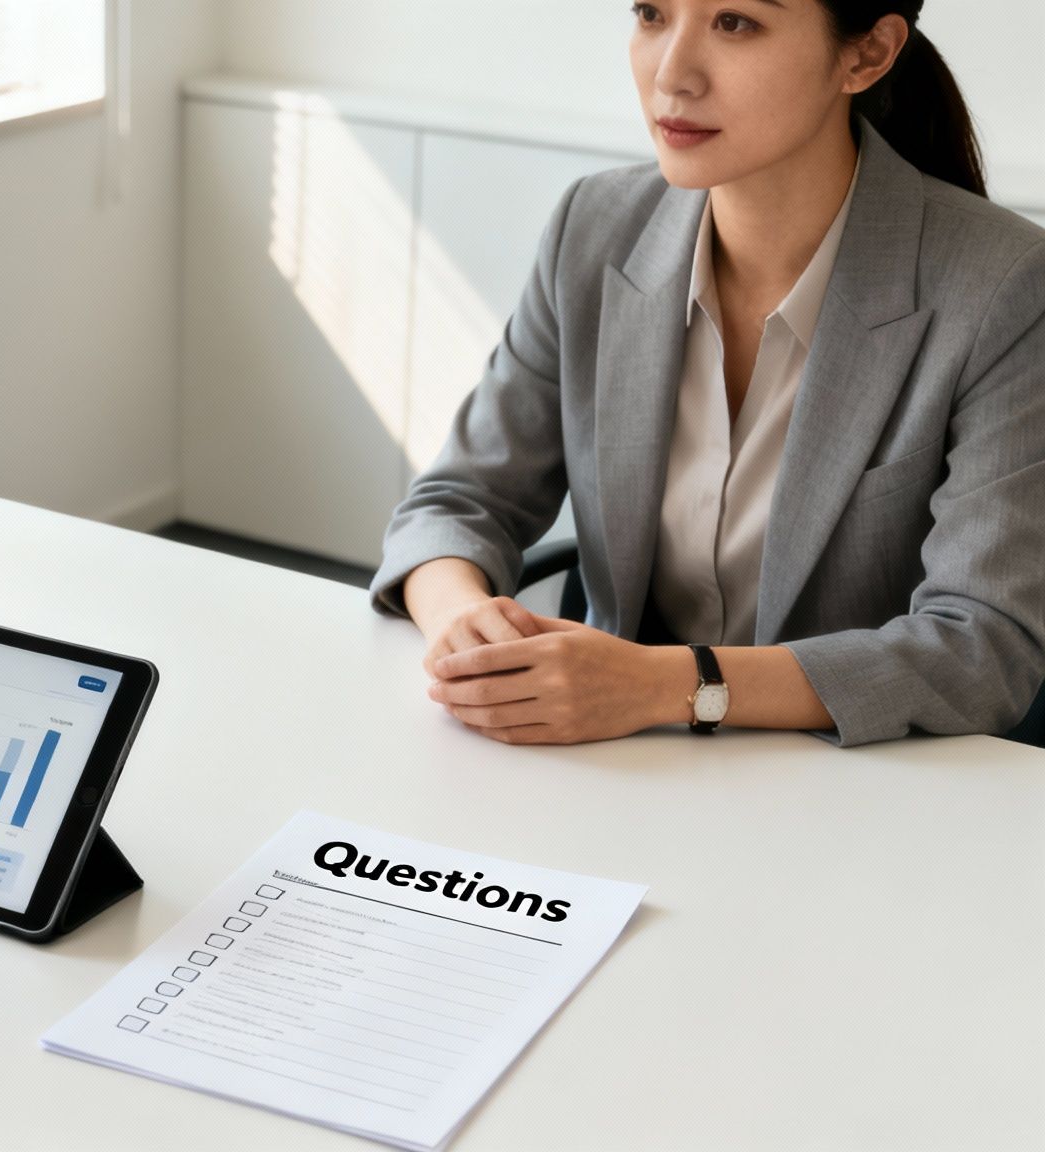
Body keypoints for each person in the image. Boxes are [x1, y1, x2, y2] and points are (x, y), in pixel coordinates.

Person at [371, 0, 1045, 747]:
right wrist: (462, 619)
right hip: (616, 760)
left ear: (867, 55)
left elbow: (984, 644)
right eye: (652, 14)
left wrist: (663, 685)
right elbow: (459, 498)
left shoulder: (1003, 286)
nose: (672, 75)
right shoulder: (593, 227)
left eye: (736, 23)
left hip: (853, 785)